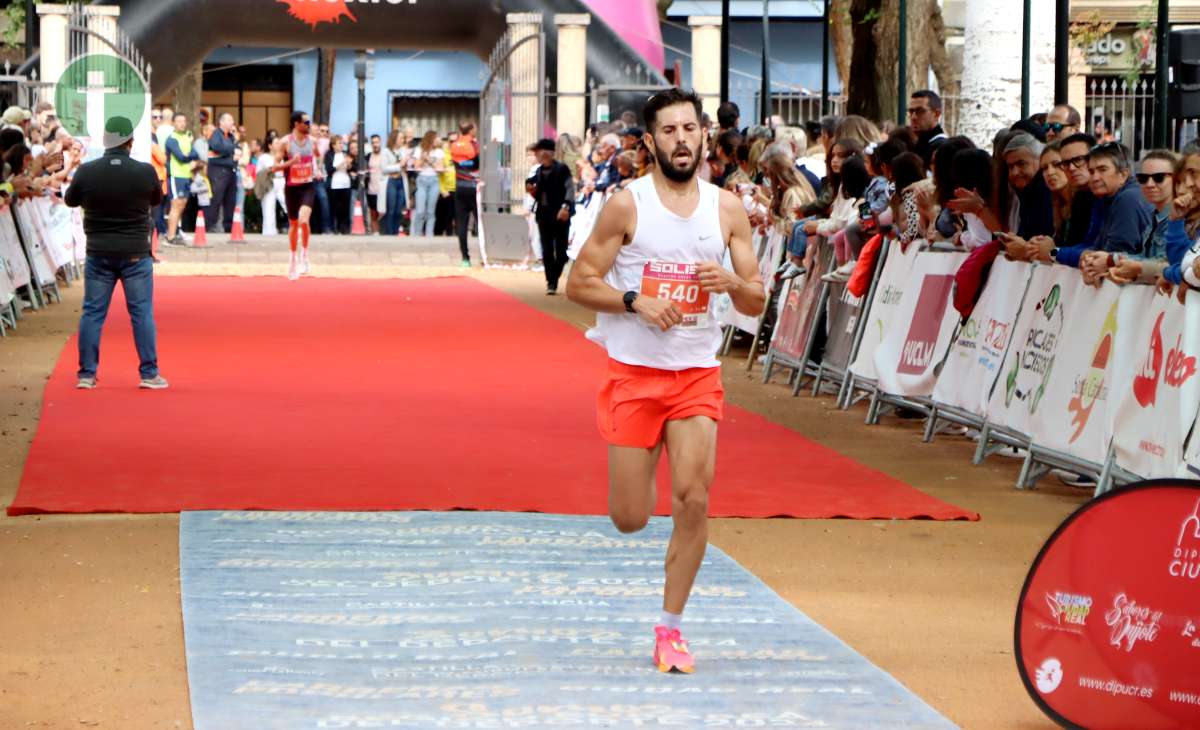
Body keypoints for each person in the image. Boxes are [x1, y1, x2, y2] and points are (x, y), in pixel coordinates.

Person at [565, 88, 763, 675]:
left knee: (693, 501)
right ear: (651, 141)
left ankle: (671, 629)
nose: (682, 140)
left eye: (690, 129)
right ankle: (636, 501)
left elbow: (755, 303)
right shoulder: (627, 205)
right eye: (669, 131)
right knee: (630, 516)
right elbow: (579, 283)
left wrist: (730, 282)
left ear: (705, 135)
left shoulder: (728, 209)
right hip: (634, 375)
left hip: (696, 376)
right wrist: (635, 301)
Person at [65, 117, 167, 390]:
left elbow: (70, 200)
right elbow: (156, 199)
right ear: (130, 142)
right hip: (135, 251)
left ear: (105, 141)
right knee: (141, 312)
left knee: (92, 312)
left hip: (98, 250)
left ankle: (86, 374)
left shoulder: (87, 171)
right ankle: (149, 373)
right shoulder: (145, 172)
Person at [271, 111, 318, 281]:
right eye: (306, 122)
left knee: (304, 220)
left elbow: (317, 157)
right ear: (296, 124)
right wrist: (291, 162)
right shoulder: (285, 143)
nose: (309, 125)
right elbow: (274, 167)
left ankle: (304, 253)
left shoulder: (312, 141)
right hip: (292, 188)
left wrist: (318, 170)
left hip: (308, 186)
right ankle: (293, 258)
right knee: (294, 223)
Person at [525, 138, 575, 294]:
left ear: (550, 153)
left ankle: (554, 276)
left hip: (561, 215)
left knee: (561, 251)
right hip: (543, 215)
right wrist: (529, 186)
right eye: (538, 152)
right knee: (547, 250)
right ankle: (551, 282)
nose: (539, 155)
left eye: (540, 151)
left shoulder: (562, 169)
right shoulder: (539, 171)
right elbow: (532, 184)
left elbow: (569, 188)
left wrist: (566, 206)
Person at [163, 113, 199, 246]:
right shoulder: (171, 139)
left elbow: (196, 154)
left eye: (184, 121)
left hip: (186, 175)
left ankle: (176, 233)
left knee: (182, 205)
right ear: (173, 123)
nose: (182, 123)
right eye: (179, 121)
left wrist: (188, 155)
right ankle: (170, 237)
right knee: (176, 205)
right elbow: (180, 157)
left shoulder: (186, 137)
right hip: (175, 176)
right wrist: (188, 155)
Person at [449, 121, 481, 266]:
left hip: (459, 187)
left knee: (461, 224)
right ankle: (484, 256)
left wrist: (463, 164)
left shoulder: (454, 145)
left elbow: (457, 164)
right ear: (471, 130)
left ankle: (465, 259)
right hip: (474, 188)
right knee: (480, 223)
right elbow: (478, 164)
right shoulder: (474, 145)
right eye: (475, 128)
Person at [206, 113, 239, 232]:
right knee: (216, 199)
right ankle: (211, 225)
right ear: (221, 122)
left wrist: (234, 141)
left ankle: (228, 226)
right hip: (218, 172)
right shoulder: (216, 134)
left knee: (231, 200)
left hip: (231, 171)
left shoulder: (231, 136)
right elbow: (217, 147)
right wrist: (232, 150)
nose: (232, 122)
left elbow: (237, 149)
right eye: (229, 120)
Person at [411, 130, 445, 237]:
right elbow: (416, 167)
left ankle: (429, 236)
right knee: (420, 211)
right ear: (430, 139)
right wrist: (423, 158)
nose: (438, 140)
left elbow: (440, 168)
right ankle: (417, 234)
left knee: (431, 211)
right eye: (436, 138)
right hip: (422, 180)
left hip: (434, 180)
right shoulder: (418, 150)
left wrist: (428, 160)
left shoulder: (439, 152)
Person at [908, 90, 947, 166]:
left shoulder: (942, 149)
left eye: (920, 111)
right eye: (911, 111)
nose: (913, 117)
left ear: (936, 114)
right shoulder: (917, 144)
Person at [325, 135, 353, 234]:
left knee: (345, 208)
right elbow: (329, 170)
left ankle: (344, 229)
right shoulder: (329, 155)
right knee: (334, 207)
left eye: (342, 143)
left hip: (346, 184)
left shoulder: (345, 154)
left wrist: (349, 166)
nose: (341, 145)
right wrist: (341, 164)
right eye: (339, 143)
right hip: (334, 185)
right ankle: (334, 228)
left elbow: (350, 168)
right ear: (333, 145)